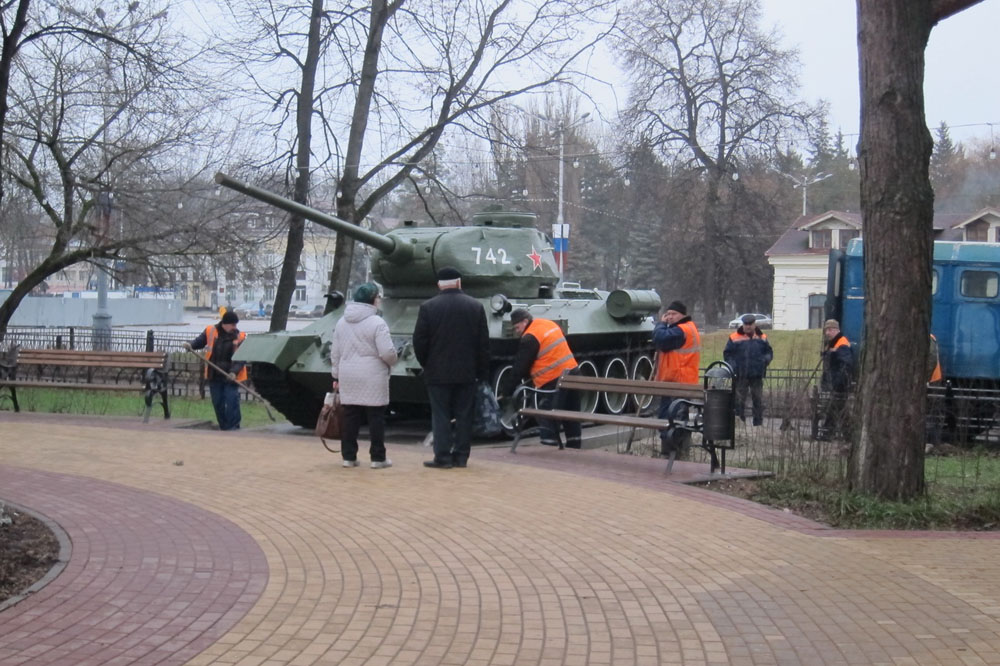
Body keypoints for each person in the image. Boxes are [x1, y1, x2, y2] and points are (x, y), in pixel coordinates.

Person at [412, 267, 490, 469]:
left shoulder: (428, 307)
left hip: (437, 373)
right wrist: (480, 372)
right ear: (459, 283)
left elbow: (419, 341)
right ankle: (462, 456)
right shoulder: (475, 306)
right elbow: (483, 344)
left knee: (441, 415)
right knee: (464, 416)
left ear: (439, 284)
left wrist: (426, 363)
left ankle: (443, 457)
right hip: (467, 373)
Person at [329, 282, 398, 469]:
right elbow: (387, 352)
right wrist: (393, 360)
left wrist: (336, 376)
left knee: (350, 416)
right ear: (372, 300)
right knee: (376, 417)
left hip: (348, 373)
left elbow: (335, 352)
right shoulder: (377, 322)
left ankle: (348, 456)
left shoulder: (342, 322)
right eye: (378, 298)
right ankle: (378, 458)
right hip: (373, 374)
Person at [506, 309, 582, 448]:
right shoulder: (548, 324)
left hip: (554, 379)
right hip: (573, 373)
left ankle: (549, 448)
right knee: (571, 413)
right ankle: (575, 445)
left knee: (546, 413)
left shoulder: (530, 337)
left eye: (517, 327)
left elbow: (520, 367)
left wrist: (508, 390)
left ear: (525, 321)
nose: (517, 331)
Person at [185, 309, 246, 431]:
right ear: (225, 323)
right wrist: (190, 345)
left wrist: (234, 372)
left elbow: (241, 358)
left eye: (236, 325)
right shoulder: (210, 331)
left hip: (231, 376)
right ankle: (224, 427)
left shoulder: (240, 337)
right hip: (215, 375)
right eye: (233, 325)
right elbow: (199, 342)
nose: (235, 327)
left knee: (231, 401)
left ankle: (233, 427)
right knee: (218, 403)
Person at [653, 300, 701, 451]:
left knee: (673, 420)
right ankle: (677, 450)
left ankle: (673, 452)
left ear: (683, 315)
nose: (670, 317)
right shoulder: (686, 328)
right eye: (668, 314)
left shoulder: (681, 330)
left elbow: (660, 339)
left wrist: (660, 324)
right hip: (677, 381)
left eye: (674, 314)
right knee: (676, 419)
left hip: (678, 383)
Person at [724, 313, 773, 426]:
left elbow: (769, 352)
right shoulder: (734, 337)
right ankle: (739, 424)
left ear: (754, 324)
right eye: (746, 324)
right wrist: (734, 366)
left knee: (757, 400)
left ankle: (758, 423)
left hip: (757, 374)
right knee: (739, 401)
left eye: (750, 324)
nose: (748, 327)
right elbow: (727, 354)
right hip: (741, 374)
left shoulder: (762, 337)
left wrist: (765, 361)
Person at [820, 318, 854, 440]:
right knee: (838, 409)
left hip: (840, 384)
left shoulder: (841, 343)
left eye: (829, 330)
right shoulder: (835, 342)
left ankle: (828, 435)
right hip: (837, 383)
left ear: (835, 330)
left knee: (835, 409)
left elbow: (846, 364)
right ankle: (847, 436)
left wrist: (838, 381)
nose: (827, 333)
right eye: (826, 330)